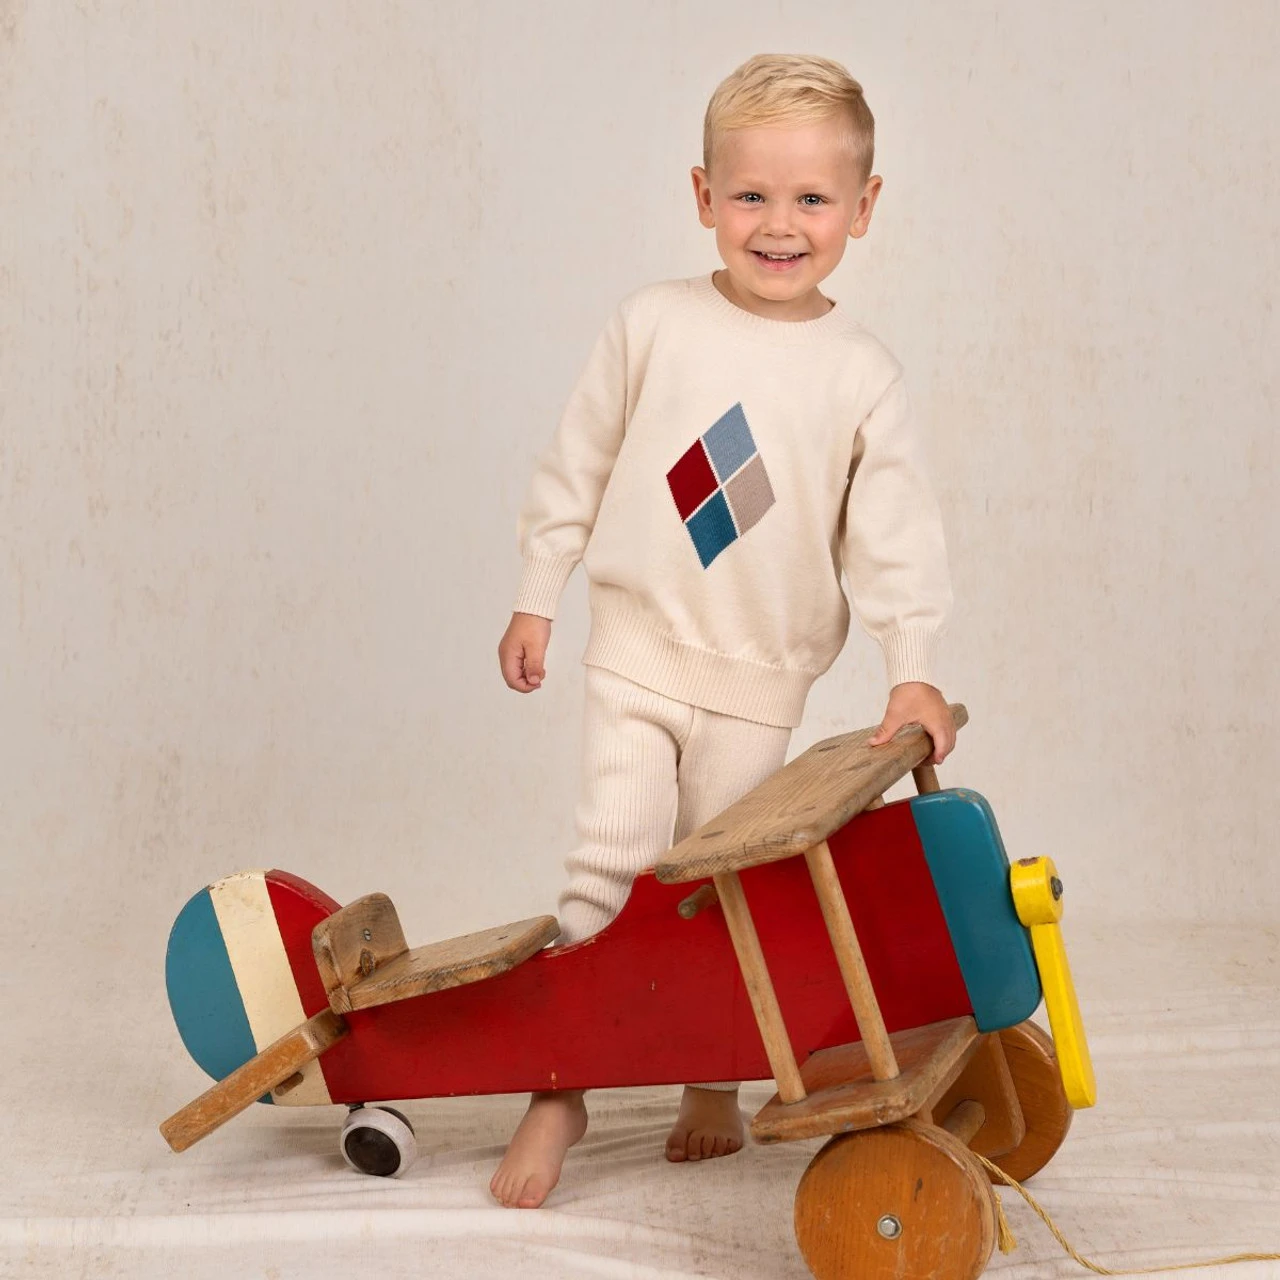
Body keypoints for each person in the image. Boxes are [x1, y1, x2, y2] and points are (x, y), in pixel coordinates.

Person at [489, 53, 955, 1210]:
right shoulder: (652, 324)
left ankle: (709, 1075)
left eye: (810, 198)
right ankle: (561, 1080)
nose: (778, 224)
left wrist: (910, 669)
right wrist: (539, 588)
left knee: (720, 886)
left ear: (862, 206)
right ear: (702, 196)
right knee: (608, 860)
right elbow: (577, 462)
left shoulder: (859, 375)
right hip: (634, 652)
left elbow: (892, 538)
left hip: (757, 682)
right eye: (750, 195)